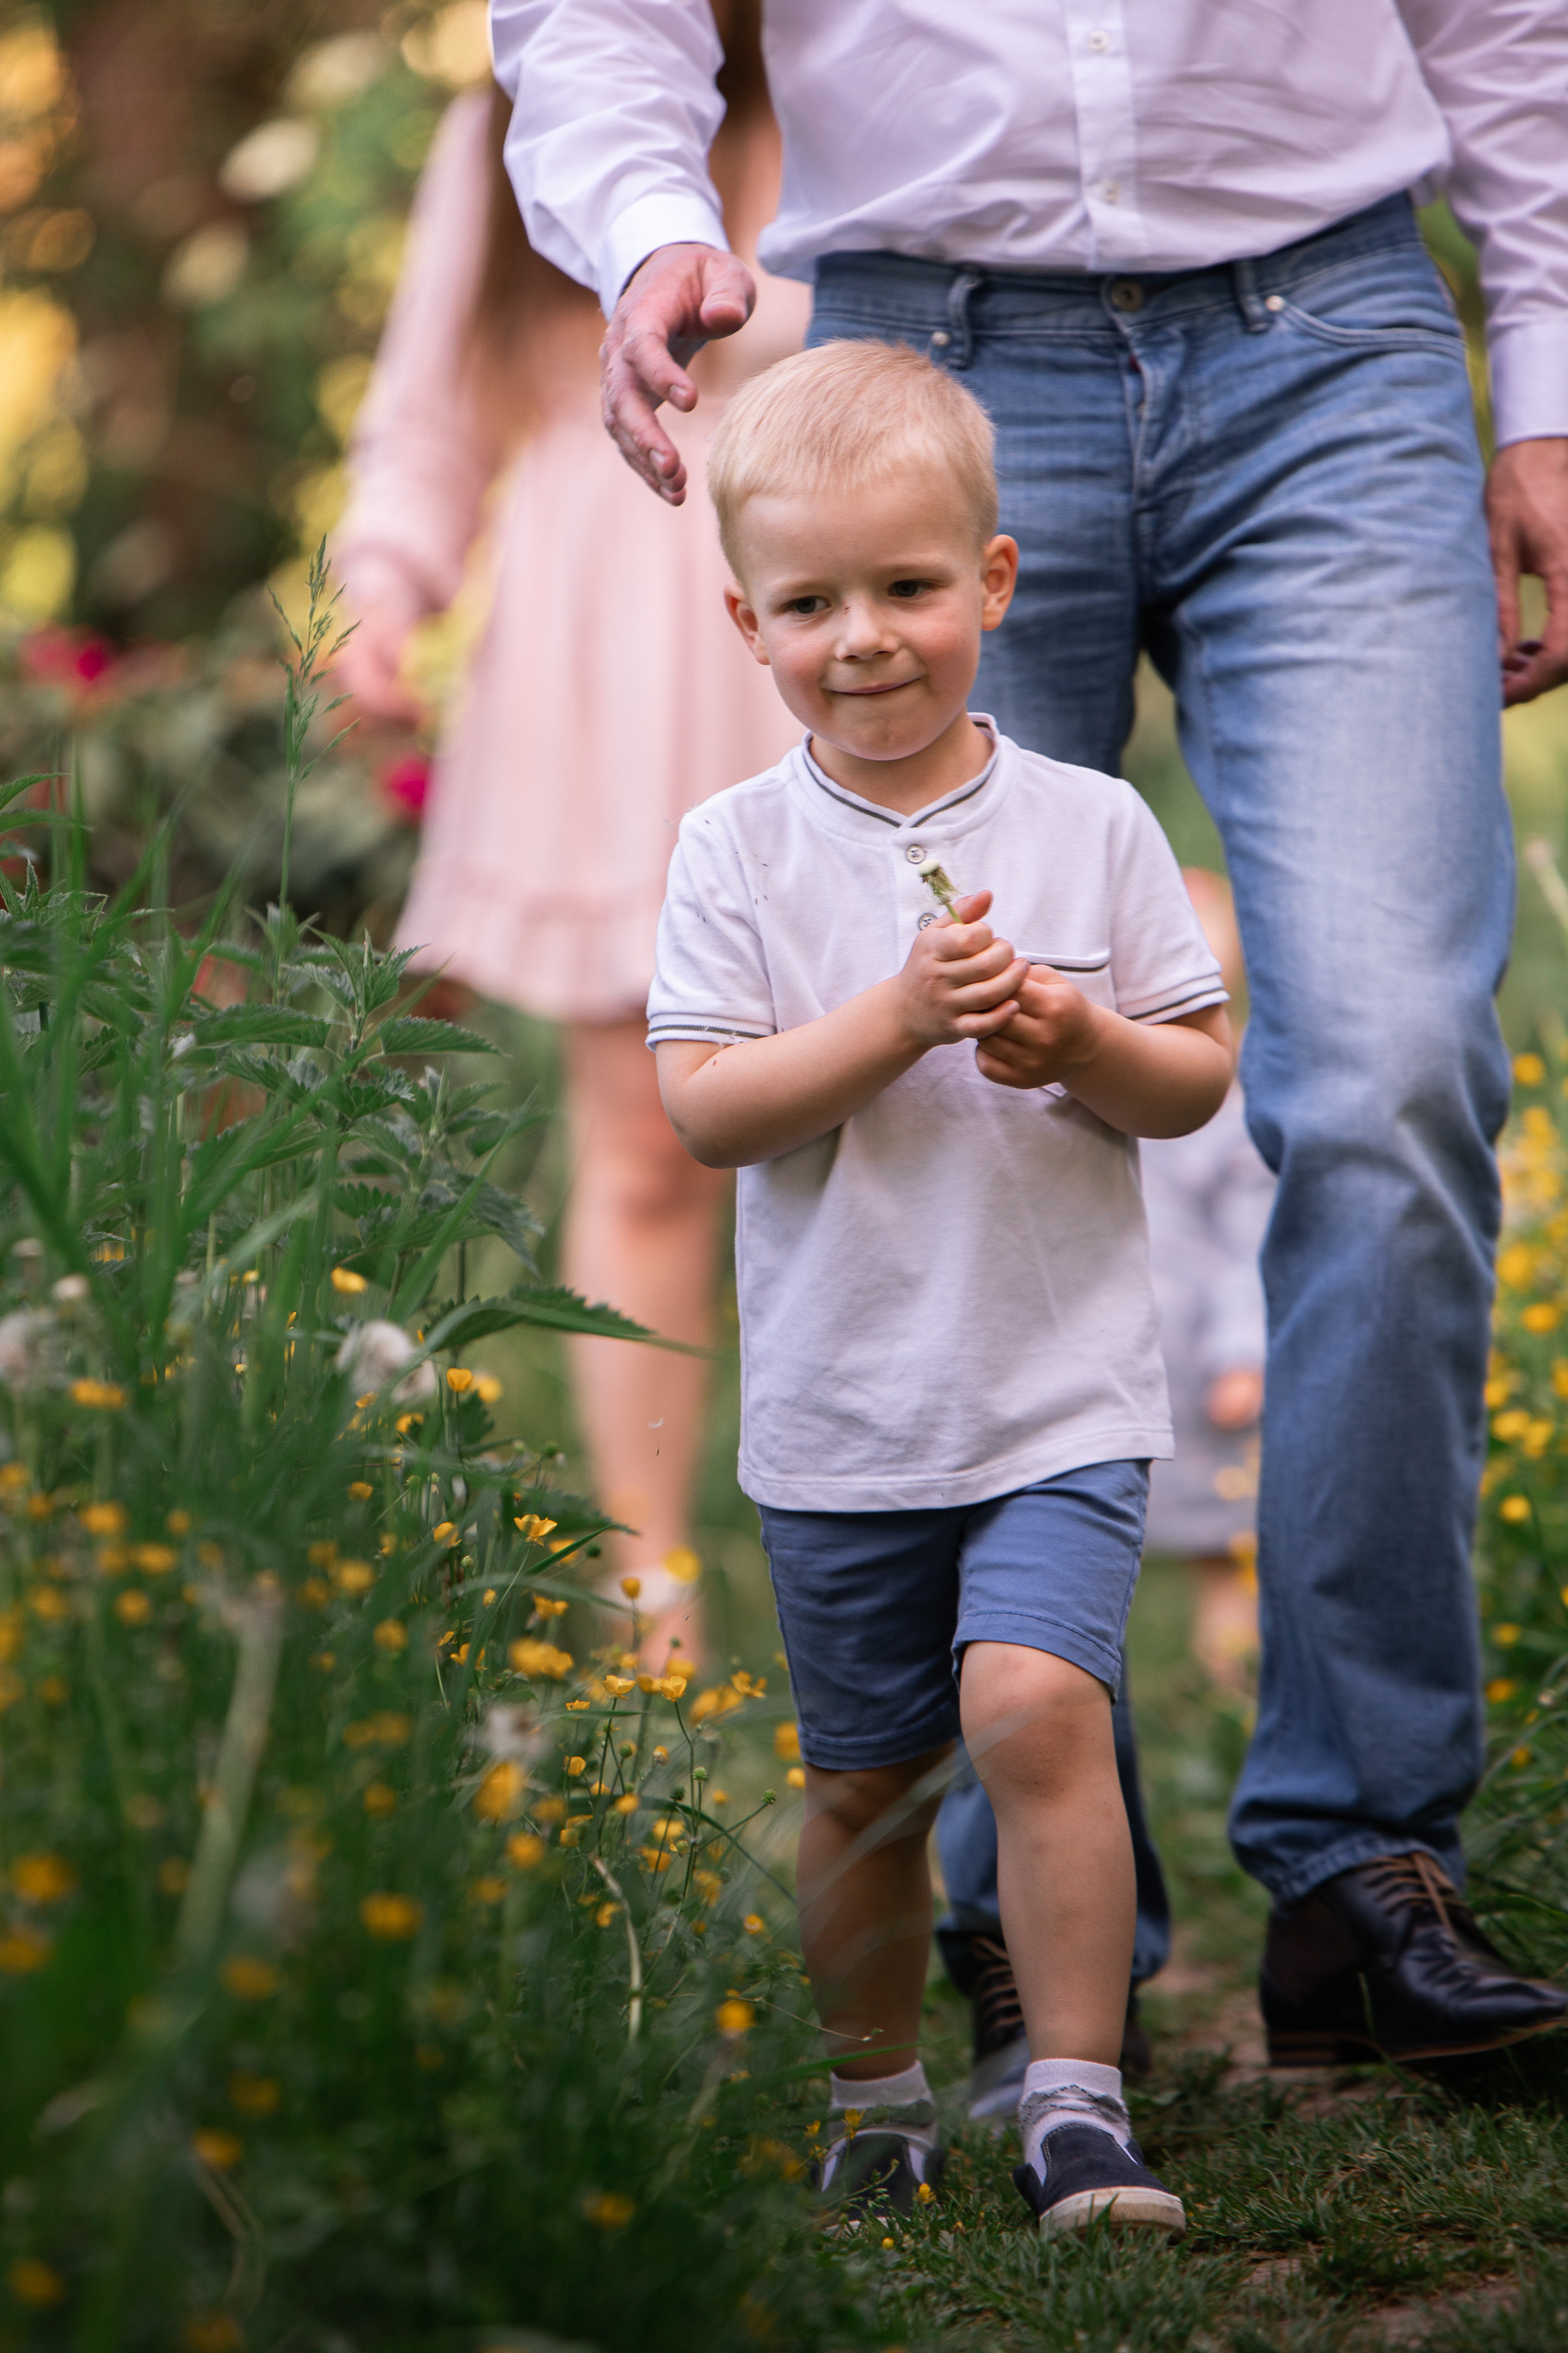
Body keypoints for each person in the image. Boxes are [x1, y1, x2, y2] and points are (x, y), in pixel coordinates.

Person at [491, 0, 1568, 2077]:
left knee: (1389, 1079)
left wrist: (1546, 375)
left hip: (1331, 334)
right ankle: (1033, 1935)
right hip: (924, 338)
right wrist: (641, 221)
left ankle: (1363, 1865)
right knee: (948, 1097)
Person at [651, 339, 1232, 2233]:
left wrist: (1076, 1041)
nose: (863, 639)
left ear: (989, 581)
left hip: (1051, 1390)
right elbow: (709, 1110)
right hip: (845, 1410)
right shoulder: (733, 853)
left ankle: (1073, 2097)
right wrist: (894, 1019)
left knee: (1036, 1709)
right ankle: (876, 2097)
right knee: (867, 1783)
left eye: (905, 587)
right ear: (746, 621)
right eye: (809, 603)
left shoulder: (1089, 824)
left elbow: (1190, 1075)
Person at [332, 29, 806, 1663]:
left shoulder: (865, 71)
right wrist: (382, 595)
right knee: (648, 1136)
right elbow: (427, 419)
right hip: (598, 660)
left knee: (886, 1107)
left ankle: (894, 1571)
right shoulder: (519, 118)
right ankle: (654, 1597)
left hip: (814, 630)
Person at [1143, 869, 1271, 1690]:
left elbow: (1250, 1235)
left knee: (1226, 1556)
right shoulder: (1096, 1066)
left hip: (1205, 1369)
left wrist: (1244, 1352)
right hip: (1132, 1359)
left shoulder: (1241, 1095)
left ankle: (1232, 1709)